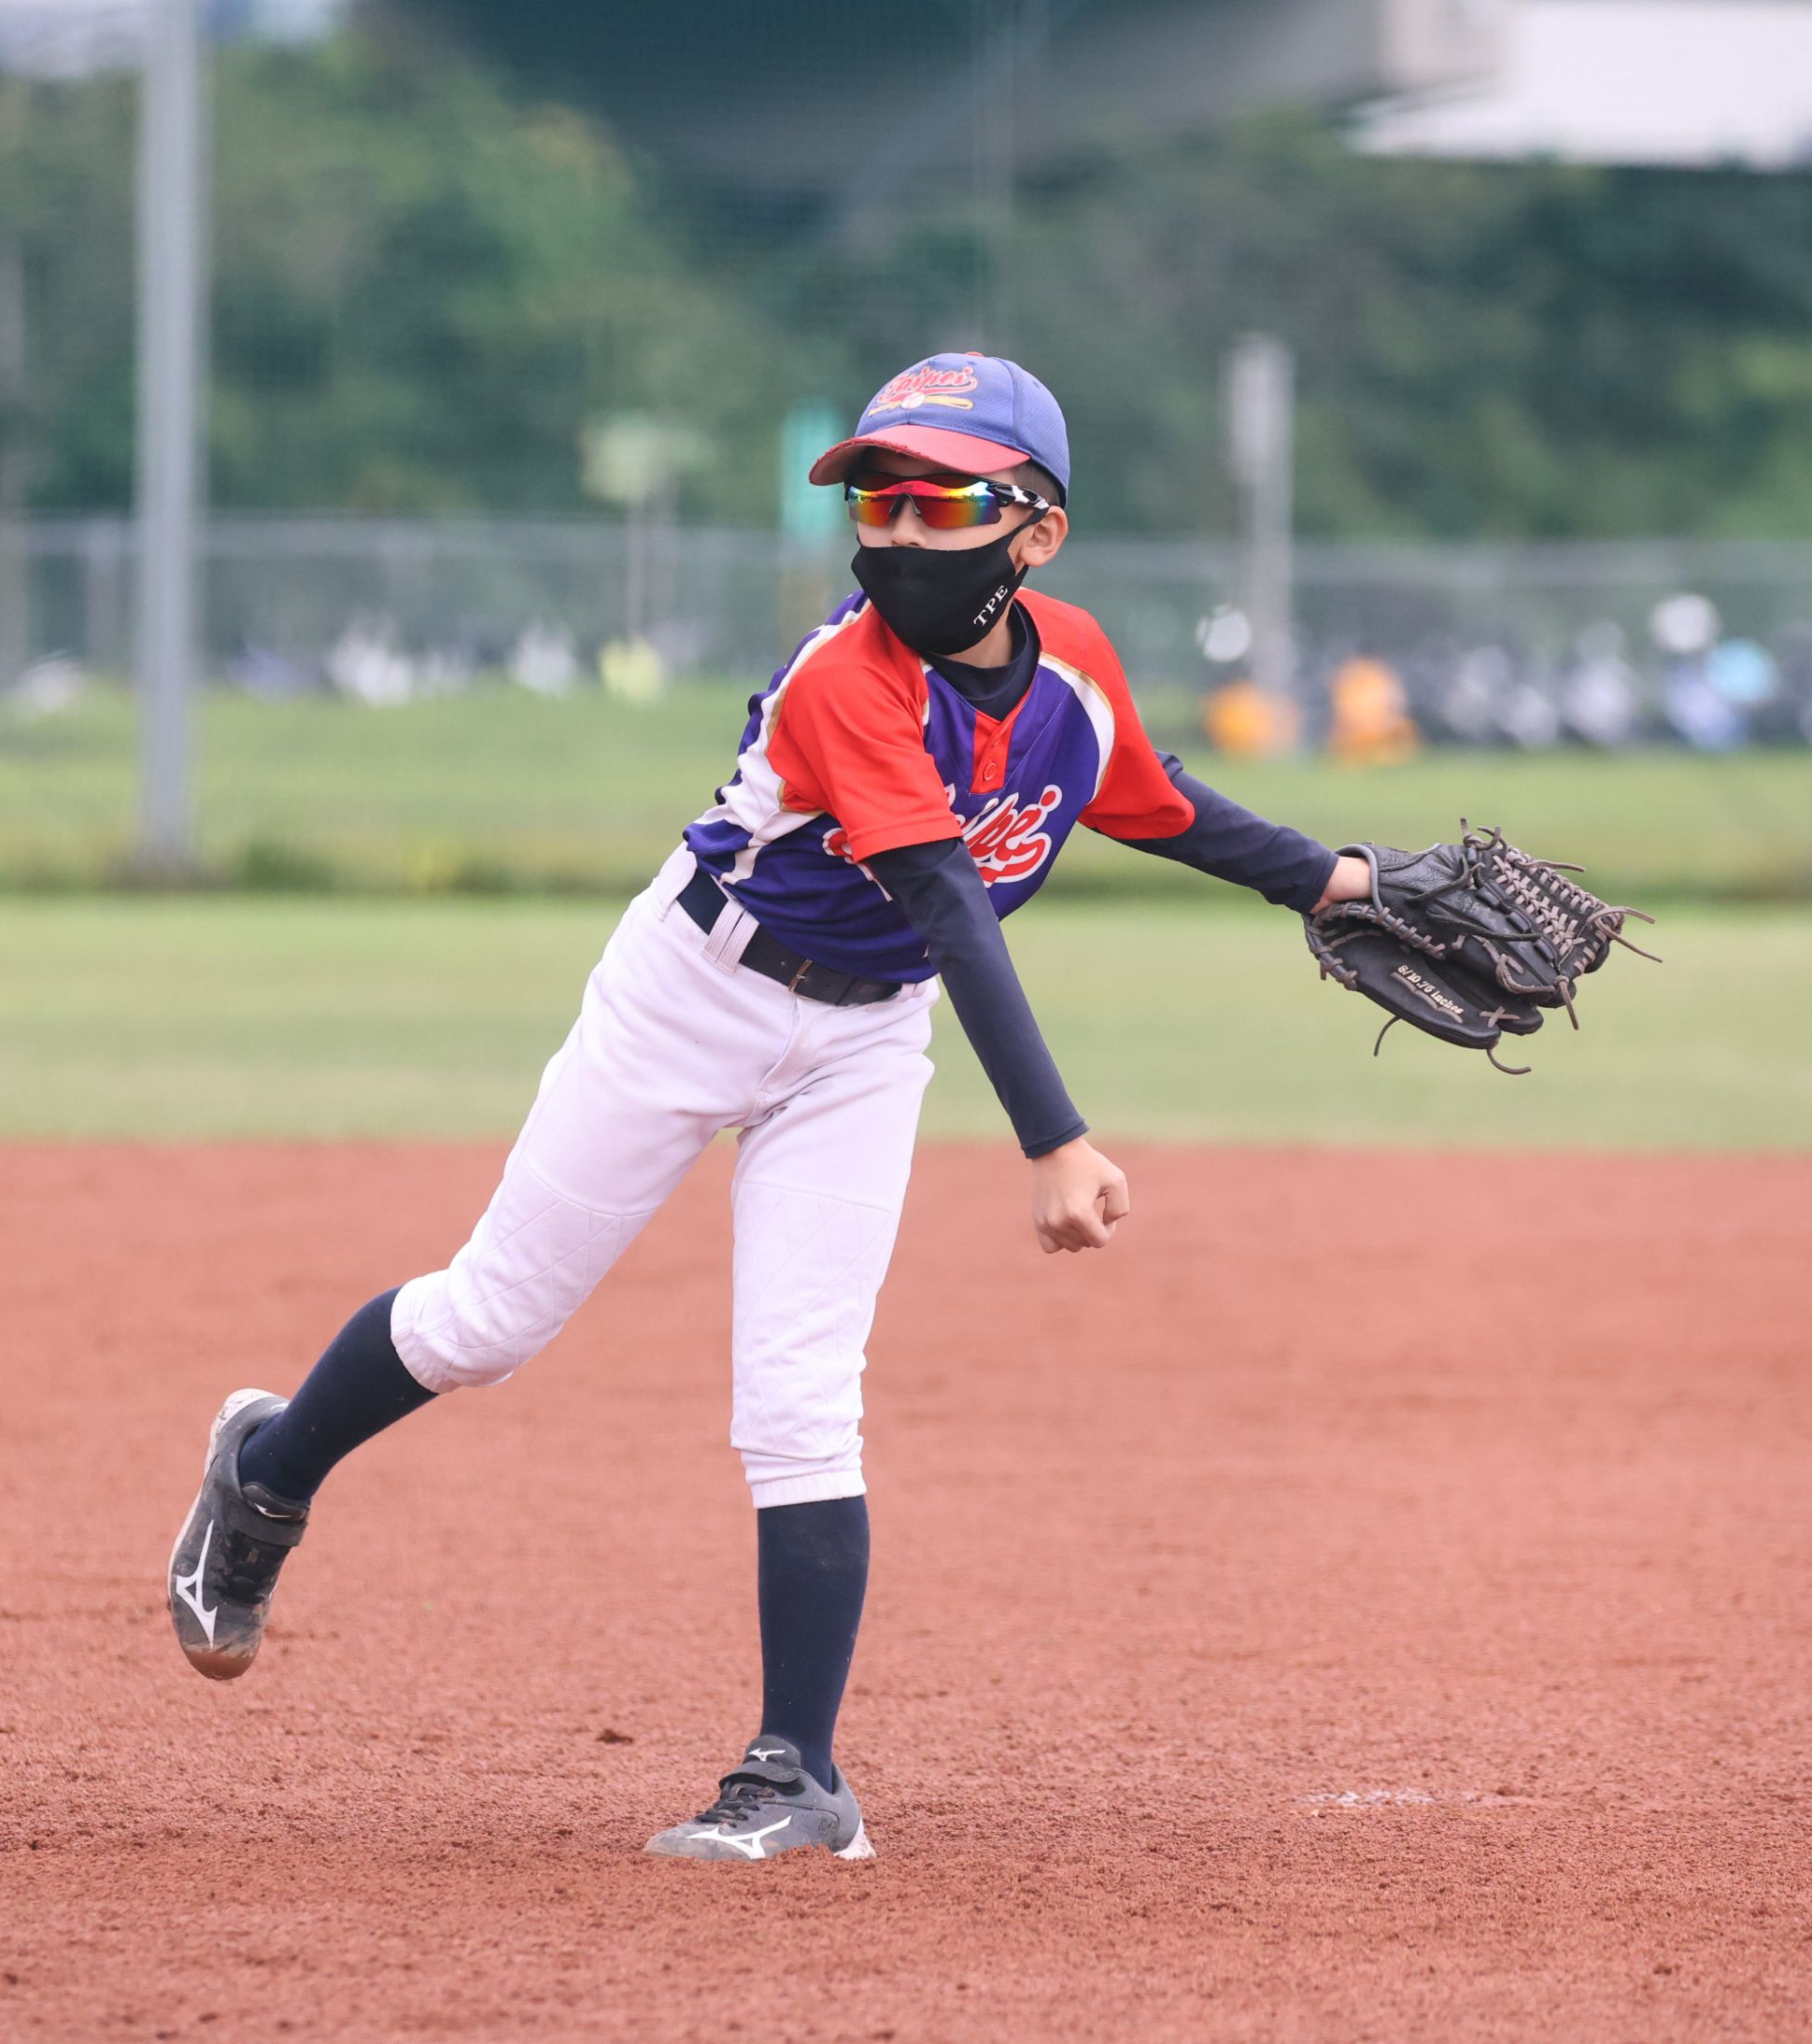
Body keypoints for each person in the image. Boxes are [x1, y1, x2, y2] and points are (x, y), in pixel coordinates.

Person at [164, 353, 1374, 1862]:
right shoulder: (844, 680)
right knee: (490, 1322)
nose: (901, 532)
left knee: (802, 1394)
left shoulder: (1071, 665)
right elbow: (947, 900)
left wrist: (1336, 880)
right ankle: (266, 1471)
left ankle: (797, 1774)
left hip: (863, 1039)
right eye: (879, 501)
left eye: (943, 503)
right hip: (693, 993)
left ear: (1038, 531)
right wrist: (1053, 1137)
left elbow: (1156, 799)